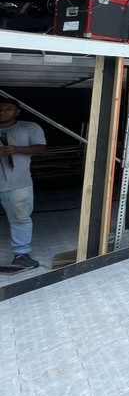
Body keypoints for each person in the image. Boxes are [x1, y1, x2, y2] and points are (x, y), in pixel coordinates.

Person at [0, 99, 46, 271]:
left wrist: (16, 149)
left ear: (17, 111)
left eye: (9, 108)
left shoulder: (29, 127)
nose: (4, 111)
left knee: (20, 219)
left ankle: (22, 255)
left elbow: (41, 148)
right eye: (1, 109)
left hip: (18, 184)